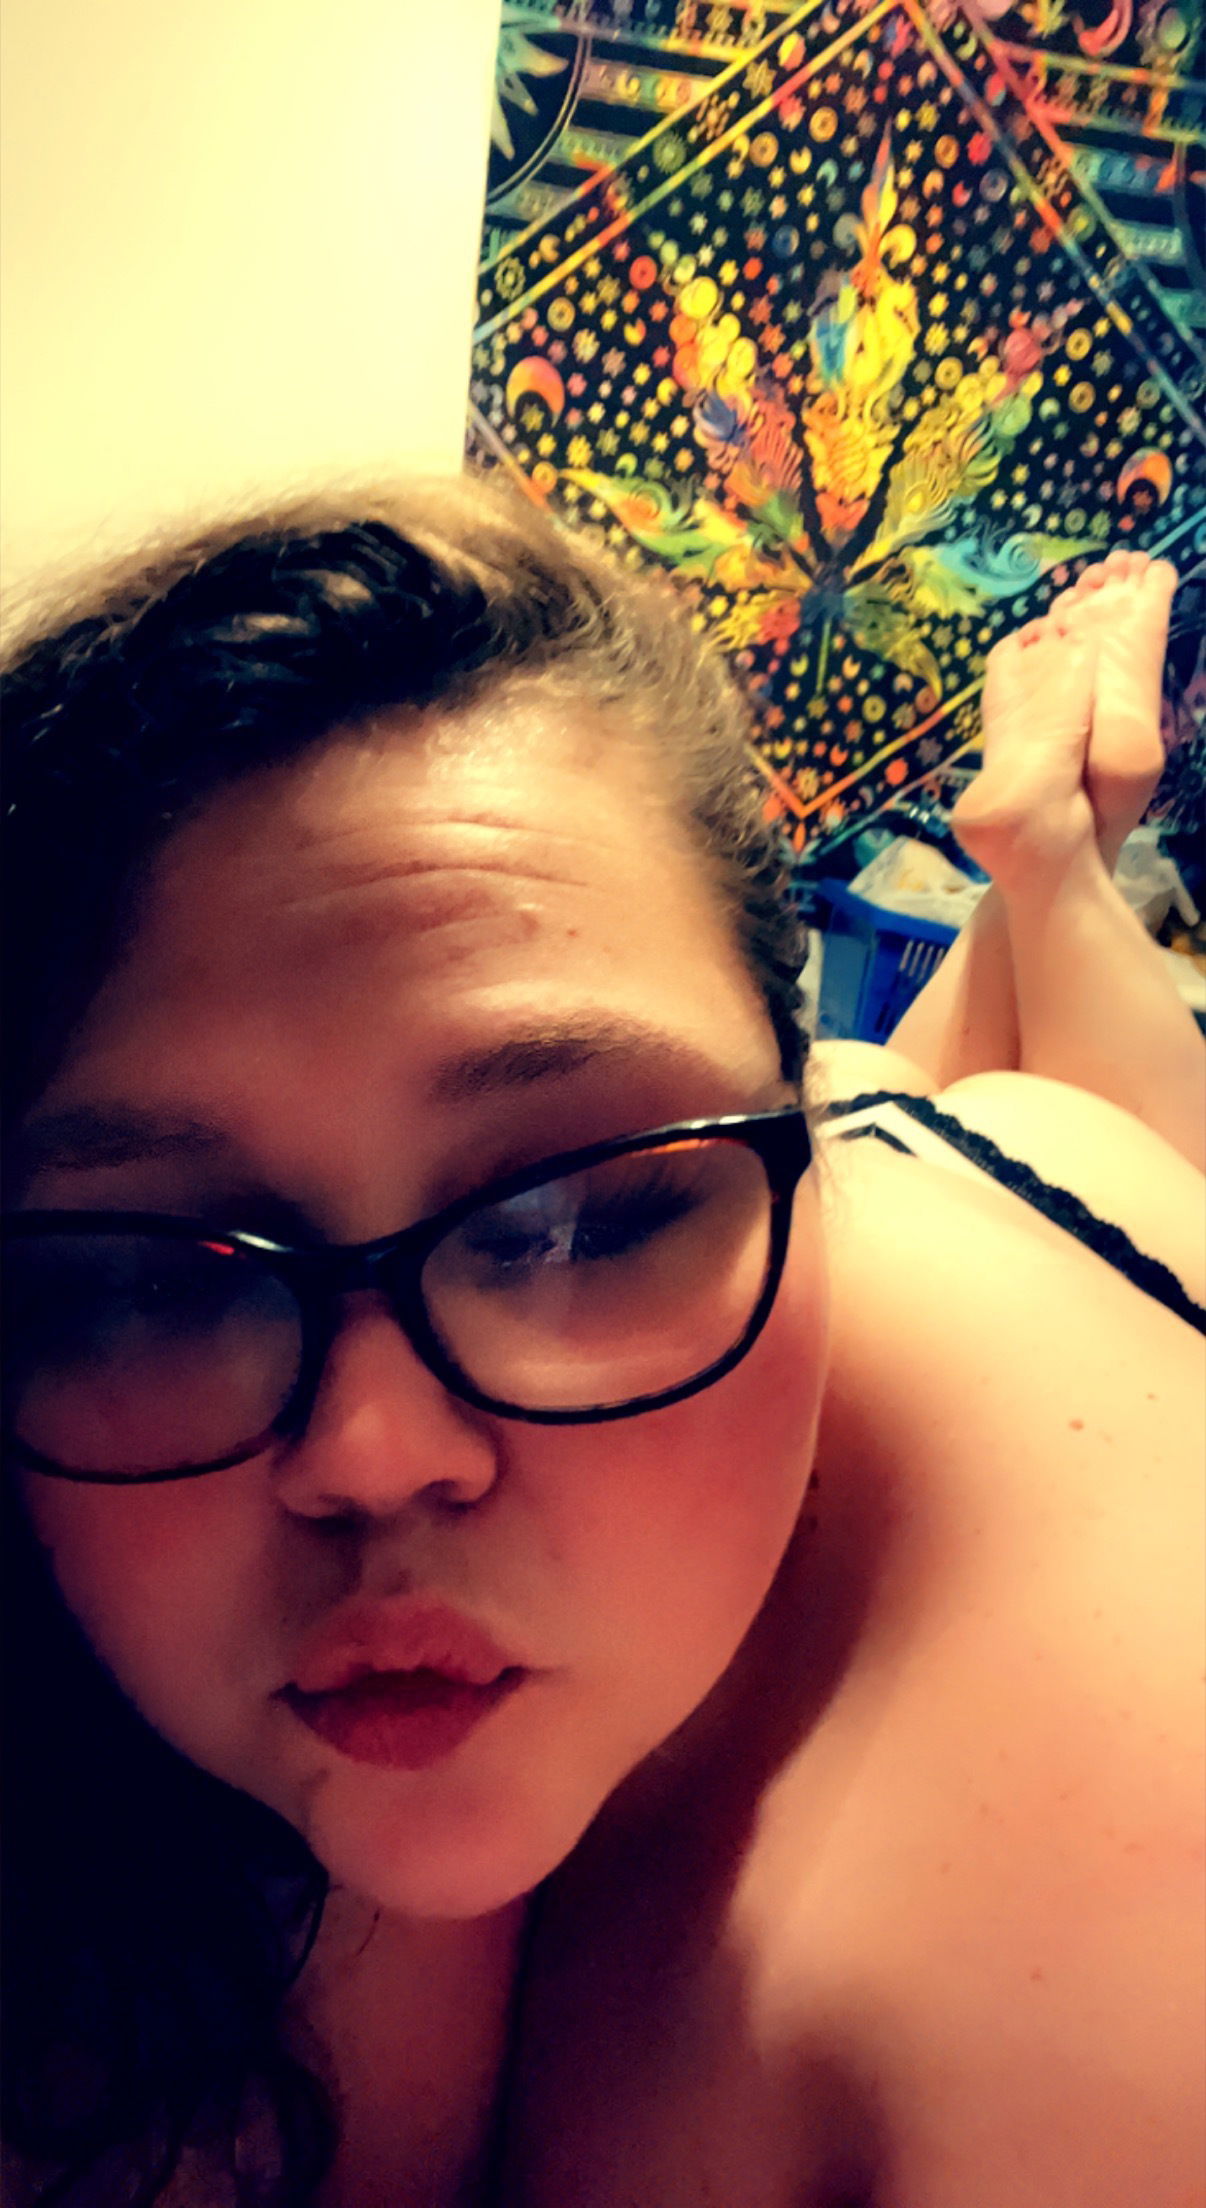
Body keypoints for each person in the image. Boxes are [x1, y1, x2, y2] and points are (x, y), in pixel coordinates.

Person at [1, 478, 1201, 2208]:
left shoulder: (1063, 2051)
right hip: (984, 1157)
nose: (373, 1455)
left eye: (579, 1218)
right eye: (155, 1283)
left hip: (1056, 1251)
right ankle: (1044, 860)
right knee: (1014, 1098)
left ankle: (1045, 859)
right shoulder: (780, 1178)